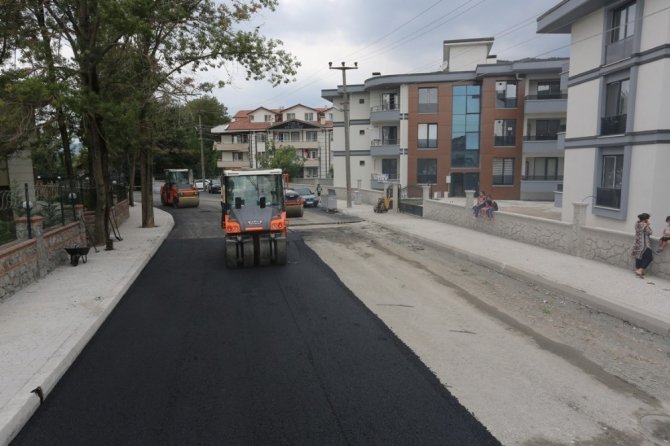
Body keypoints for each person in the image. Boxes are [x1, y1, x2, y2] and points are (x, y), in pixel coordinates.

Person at [631, 212, 653, 278]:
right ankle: (640, 270)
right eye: (648, 219)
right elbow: (650, 232)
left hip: (637, 243)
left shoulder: (637, 224)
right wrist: (648, 225)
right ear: (646, 219)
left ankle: (638, 270)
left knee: (639, 256)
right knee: (649, 257)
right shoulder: (645, 225)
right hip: (644, 244)